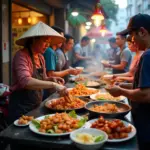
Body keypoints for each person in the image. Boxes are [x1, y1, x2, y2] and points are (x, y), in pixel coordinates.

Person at [8, 22, 67, 124]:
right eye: (45, 41)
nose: (47, 45)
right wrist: (53, 85)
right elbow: (25, 81)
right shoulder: (21, 56)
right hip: (20, 106)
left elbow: (42, 78)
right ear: (34, 39)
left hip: (36, 104)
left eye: (49, 42)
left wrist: (52, 79)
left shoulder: (40, 57)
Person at [106, 13, 150, 150]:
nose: (131, 39)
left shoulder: (148, 55)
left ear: (142, 32)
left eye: (132, 34)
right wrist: (123, 84)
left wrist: (120, 91)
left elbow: (145, 94)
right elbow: (143, 84)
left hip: (146, 121)